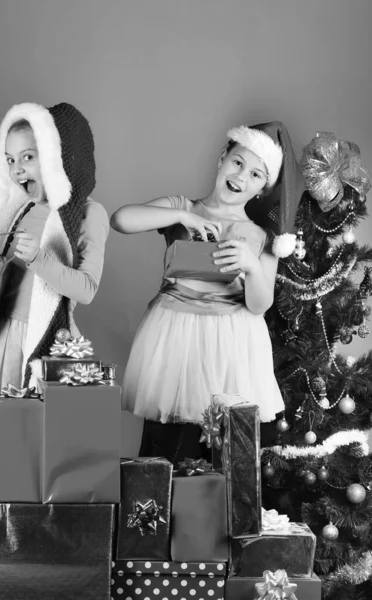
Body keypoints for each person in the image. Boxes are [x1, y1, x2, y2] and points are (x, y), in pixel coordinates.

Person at [111, 122, 304, 464]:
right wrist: (183, 214)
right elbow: (121, 219)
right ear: (222, 159)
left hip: (233, 343)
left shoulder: (262, 237)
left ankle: (217, 515)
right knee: (165, 447)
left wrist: (253, 266)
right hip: (174, 335)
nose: (242, 176)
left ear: (263, 188)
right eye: (238, 162)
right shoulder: (183, 208)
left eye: (256, 175)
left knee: (225, 454)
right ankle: (157, 513)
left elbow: (260, 304)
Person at [0, 102, 109, 396]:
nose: (17, 169)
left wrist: (39, 258)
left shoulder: (87, 214)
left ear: (58, 157)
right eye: (9, 160)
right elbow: (3, 266)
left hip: (39, 337)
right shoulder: (18, 207)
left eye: (28, 157)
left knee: (26, 427)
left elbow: (87, 289)